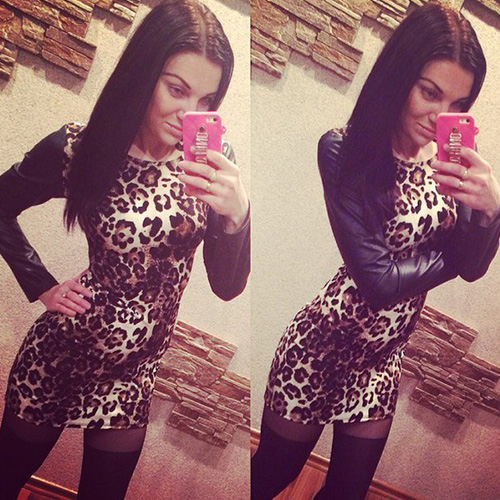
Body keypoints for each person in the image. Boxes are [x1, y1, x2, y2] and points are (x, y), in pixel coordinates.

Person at [0, 1, 250, 499]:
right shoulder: (80, 148)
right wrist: (43, 286)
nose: (191, 113)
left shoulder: (211, 164)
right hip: (61, 356)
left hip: (133, 374)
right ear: (143, 75)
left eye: (207, 99)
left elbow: (226, 287)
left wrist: (238, 215)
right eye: (176, 89)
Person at [251, 4, 500, 500]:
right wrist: (458, 249)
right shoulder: (343, 149)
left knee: (347, 493)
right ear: (399, 78)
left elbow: (473, 268)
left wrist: (491, 210)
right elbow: (379, 282)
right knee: (270, 478)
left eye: (458, 103)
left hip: (381, 360)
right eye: (430, 92)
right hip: (319, 350)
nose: (442, 116)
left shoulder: (451, 164)